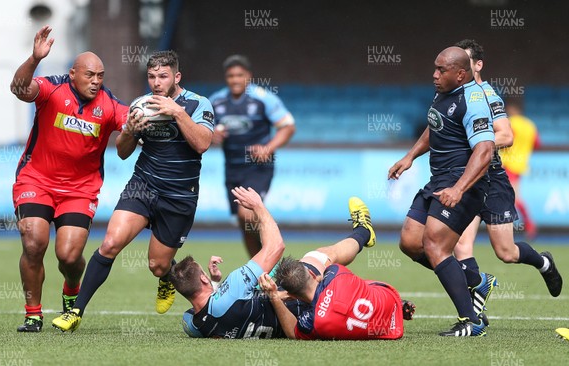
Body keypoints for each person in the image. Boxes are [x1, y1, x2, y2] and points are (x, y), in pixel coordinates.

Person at [51, 50, 214, 332]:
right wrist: (129, 132)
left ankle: (165, 279)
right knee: (110, 244)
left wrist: (176, 112)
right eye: (151, 76)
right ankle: (75, 311)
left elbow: (202, 144)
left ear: (177, 77)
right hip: (143, 185)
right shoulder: (141, 105)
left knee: (158, 266)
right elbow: (123, 153)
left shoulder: (198, 104)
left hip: (179, 196)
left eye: (163, 76)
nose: (156, 82)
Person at [10, 25, 128, 332]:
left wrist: (145, 123)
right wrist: (35, 59)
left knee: (69, 256)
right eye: (90, 75)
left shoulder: (110, 105)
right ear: (73, 73)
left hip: (80, 190)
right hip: (35, 180)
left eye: (101, 76)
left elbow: (134, 123)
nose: (96, 81)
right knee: (34, 243)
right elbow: (19, 89)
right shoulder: (52, 89)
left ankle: (71, 288)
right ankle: (33, 314)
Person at [170, 187, 378, 339]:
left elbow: (210, 310)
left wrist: (216, 284)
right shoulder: (233, 288)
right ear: (202, 278)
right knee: (321, 256)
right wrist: (258, 207)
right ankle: (363, 232)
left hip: (286, 324)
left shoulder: (195, 325)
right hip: (298, 306)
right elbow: (276, 246)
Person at [388, 46, 495, 337]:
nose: (434, 75)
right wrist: (410, 156)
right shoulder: (442, 93)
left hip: (464, 183)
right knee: (410, 242)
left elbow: (485, 151)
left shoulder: (474, 101)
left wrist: (459, 189)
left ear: (461, 74)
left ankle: (471, 321)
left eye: (441, 70)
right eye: (434, 69)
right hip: (439, 180)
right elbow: (435, 126)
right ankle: (474, 280)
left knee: (435, 245)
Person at [452, 40, 562, 309]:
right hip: (468, 180)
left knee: (506, 252)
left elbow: (506, 135)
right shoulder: (452, 96)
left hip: (492, 179)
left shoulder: (488, 96)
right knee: (461, 247)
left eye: (465, 62)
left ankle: (543, 262)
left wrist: (475, 142)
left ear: (478, 65)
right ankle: (475, 311)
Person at [209, 55, 295, 258]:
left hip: (258, 167)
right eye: (231, 76)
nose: (235, 80)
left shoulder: (263, 98)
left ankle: (273, 252)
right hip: (232, 169)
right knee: (244, 223)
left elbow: (288, 127)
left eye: (240, 75)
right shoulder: (216, 101)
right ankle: (259, 272)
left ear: (248, 76)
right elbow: (201, 130)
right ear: (226, 78)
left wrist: (269, 147)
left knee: (246, 214)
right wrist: (211, 134)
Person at [259, 257, 415, 340]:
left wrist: (274, 295)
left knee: (350, 292)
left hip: (390, 331)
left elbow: (293, 333)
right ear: (313, 274)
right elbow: (322, 278)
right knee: (354, 284)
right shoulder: (336, 270)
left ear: (292, 295)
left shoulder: (312, 322)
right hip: (389, 298)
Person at [500, 99, 541, 239]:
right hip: (520, 165)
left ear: (511, 109)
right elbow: (537, 144)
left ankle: (528, 225)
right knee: (511, 197)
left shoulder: (509, 123)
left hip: (507, 164)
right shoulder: (530, 125)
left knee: (513, 198)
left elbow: (505, 141)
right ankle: (526, 225)